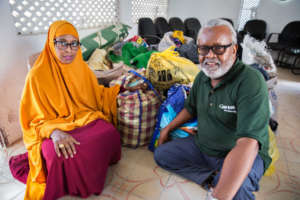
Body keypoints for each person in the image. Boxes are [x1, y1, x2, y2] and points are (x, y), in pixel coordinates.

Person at [9, 20, 132, 200]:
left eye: (74, 43)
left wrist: (120, 88)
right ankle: (70, 183)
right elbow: (31, 123)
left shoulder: (81, 67)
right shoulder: (36, 76)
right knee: (60, 153)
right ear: (51, 43)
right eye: (62, 43)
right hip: (53, 128)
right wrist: (54, 132)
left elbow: (96, 94)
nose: (69, 50)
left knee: (109, 132)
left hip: (82, 118)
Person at [154, 18, 271, 200]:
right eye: (203, 48)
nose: (209, 56)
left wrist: (219, 196)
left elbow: (248, 143)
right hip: (204, 147)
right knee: (162, 155)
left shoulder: (250, 81)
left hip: (238, 151)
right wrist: (167, 129)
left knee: (237, 191)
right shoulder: (202, 78)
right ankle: (214, 177)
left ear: (233, 49)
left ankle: (223, 179)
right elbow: (190, 109)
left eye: (218, 48)